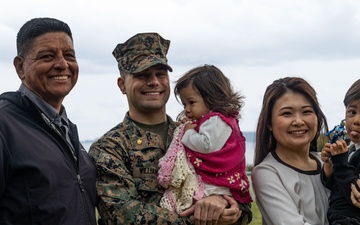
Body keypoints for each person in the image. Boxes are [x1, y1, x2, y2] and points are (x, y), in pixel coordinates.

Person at [89, 33, 252, 225]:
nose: (154, 82)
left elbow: (241, 204)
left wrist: (222, 203)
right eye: (142, 75)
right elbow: (125, 217)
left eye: (160, 74)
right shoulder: (109, 148)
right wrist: (201, 219)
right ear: (122, 84)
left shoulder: (196, 135)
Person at [0, 17, 96, 224]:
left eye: (69, 55)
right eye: (47, 56)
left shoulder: (66, 130)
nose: (62, 64)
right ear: (20, 67)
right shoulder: (5, 125)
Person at [158, 65, 252, 215]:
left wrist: (187, 134)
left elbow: (205, 144)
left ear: (211, 98)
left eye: (191, 102)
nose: (187, 109)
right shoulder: (217, 120)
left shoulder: (215, 120)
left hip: (217, 185)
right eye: (184, 104)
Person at [251, 77, 330, 225]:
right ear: (269, 122)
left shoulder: (328, 164)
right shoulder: (267, 172)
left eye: (306, 111)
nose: (299, 121)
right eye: (287, 113)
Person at [321, 79, 360, 224]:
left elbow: (355, 191)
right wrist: (329, 164)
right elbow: (333, 185)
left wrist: (340, 161)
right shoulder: (349, 147)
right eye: (352, 112)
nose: (357, 120)